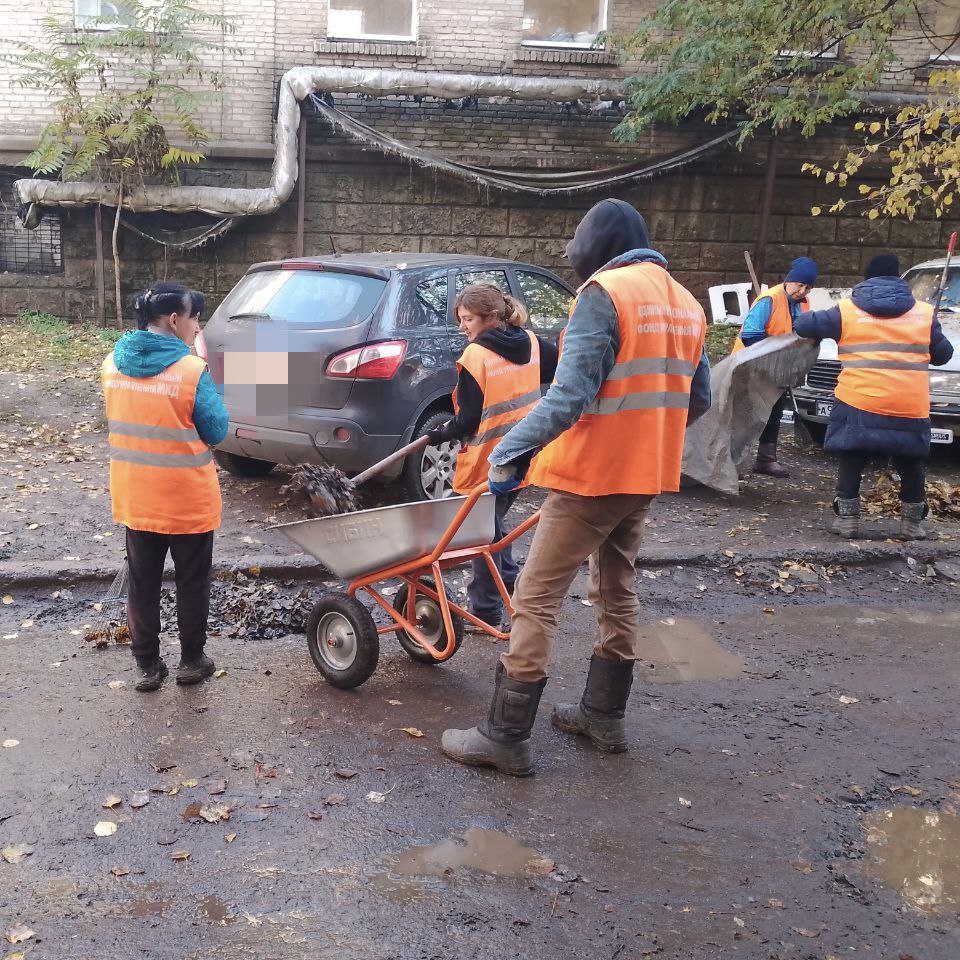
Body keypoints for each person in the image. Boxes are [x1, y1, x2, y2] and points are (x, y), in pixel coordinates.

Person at [441, 198, 711, 776]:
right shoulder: (686, 303)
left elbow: (569, 396)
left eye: (577, 243)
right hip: (645, 475)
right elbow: (701, 398)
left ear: (602, 244)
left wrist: (510, 451)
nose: (573, 256)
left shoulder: (604, 294)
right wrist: (648, 435)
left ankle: (504, 736)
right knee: (617, 585)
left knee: (535, 598)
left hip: (593, 477)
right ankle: (603, 715)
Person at [102, 281, 229, 692]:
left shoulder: (112, 364)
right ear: (175, 320)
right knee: (191, 580)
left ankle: (146, 667)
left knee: (142, 581)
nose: (197, 325)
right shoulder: (191, 371)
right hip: (186, 500)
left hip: (136, 497)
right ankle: (191, 661)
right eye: (195, 317)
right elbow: (217, 430)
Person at [426, 283, 559, 630]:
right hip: (525, 454)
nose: (462, 327)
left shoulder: (475, 357)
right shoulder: (530, 342)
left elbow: (468, 419)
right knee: (493, 529)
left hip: (489, 461)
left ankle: (486, 609)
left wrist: (441, 432)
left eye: (467, 319)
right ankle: (514, 589)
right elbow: (555, 371)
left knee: (481, 533)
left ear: (489, 317)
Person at [794, 253, 953, 539]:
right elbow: (943, 356)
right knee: (910, 461)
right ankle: (912, 524)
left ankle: (849, 520)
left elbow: (804, 326)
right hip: (909, 404)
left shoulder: (846, 310)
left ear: (866, 279)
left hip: (859, 399)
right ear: (898, 278)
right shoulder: (923, 313)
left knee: (852, 457)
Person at [733, 256, 819, 478]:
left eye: (808, 287)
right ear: (789, 281)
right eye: (800, 285)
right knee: (746, 414)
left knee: (775, 410)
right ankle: (731, 462)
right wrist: (774, 353)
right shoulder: (769, 300)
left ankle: (765, 459)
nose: (803, 291)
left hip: (779, 368)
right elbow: (750, 334)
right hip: (751, 364)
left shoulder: (804, 303)